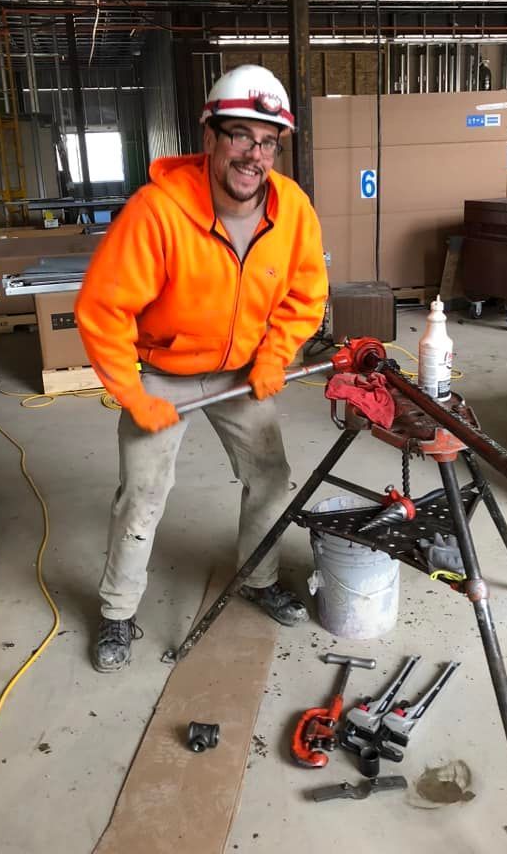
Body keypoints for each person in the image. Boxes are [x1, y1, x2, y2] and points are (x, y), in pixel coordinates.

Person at [75, 65, 328, 672]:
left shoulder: (291, 209)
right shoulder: (157, 212)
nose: (255, 155)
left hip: (242, 370)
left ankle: (259, 577)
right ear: (210, 135)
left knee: (271, 476)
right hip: (163, 372)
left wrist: (273, 356)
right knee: (142, 494)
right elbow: (102, 309)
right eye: (241, 135)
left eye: (268, 142)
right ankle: (116, 613)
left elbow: (305, 295)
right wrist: (134, 395)